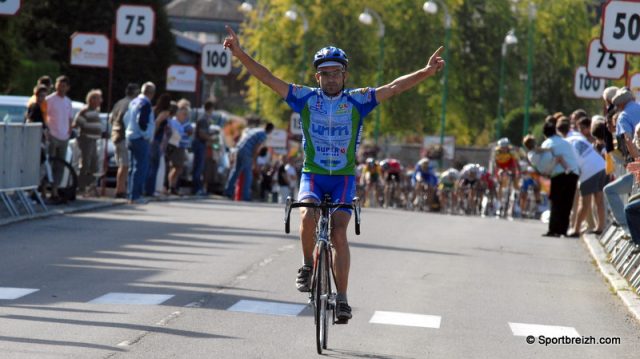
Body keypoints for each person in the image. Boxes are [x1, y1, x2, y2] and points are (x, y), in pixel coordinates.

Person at [222, 25, 445, 322]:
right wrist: (239, 54)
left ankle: (342, 298)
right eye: (325, 74)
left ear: (344, 76)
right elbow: (267, 78)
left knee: (339, 233)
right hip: (313, 174)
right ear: (317, 77)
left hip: (343, 178)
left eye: (336, 73)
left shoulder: (357, 100)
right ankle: (306, 265)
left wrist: (426, 72)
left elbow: (393, 87)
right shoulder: (304, 98)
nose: (330, 78)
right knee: (307, 214)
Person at [604, 88, 640, 236]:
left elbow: (627, 140)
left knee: (612, 191)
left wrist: (635, 158)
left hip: (636, 165)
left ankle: (628, 229)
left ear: (619, 105)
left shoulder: (623, 116)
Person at [563, 117, 607, 236]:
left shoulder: (566, 144)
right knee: (599, 200)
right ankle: (600, 227)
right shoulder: (578, 137)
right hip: (601, 166)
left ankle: (576, 229)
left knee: (584, 202)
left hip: (589, 171)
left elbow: (572, 165)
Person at [541, 119, 580, 237]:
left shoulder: (547, 143)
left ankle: (553, 229)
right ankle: (563, 230)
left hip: (559, 175)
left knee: (556, 202)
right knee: (567, 203)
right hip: (573, 173)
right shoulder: (565, 142)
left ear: (545, 134)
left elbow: (545, 162)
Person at [224, 121, 274, 201]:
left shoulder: (256, 130)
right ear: (271, 130)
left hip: (239, 149)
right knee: (248, 174)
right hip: (247, 153)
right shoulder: (263, 135)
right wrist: (254, 163)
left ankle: (228, 191)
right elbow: (255, 149)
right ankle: (245, 196)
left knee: (235, 171)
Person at [125, 82, 156, 204]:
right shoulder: (146, 103)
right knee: (141, 167)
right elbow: (142, 121)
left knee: (133, 168)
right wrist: (146, 134)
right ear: (152, 93)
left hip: (130, 136)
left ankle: (131, 194)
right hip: (139, 138)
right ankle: (136, 196)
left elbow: (126, 118)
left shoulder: (133, 101)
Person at [45, 75, 74, 203]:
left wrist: (69, 130)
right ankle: (44, 189)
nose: (60, 88)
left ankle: (55, 190)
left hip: (63, 136)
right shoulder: (50, 100)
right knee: (48, 163)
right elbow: (45, 115)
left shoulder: (68, 101)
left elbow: (69, 117)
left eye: (63, 85)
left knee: (60, 165)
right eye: (58, 85)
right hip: (52, 135)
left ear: (67, 87)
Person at [110, 83, 139, 199]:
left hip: (116, 135)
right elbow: (125, 119)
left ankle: (121, 188)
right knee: (124, 164)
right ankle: (120, 190)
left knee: (122, 164)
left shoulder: (119, 102)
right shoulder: (130, 104)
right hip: (122, 136)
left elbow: (111, 119)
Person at [73, 89, 104, 197]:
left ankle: (90, 185)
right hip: (86, 139)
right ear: (92, 100)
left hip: (94, 140)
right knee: (86, 163)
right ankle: (81, 186)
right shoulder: (84, 111)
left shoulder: (96, 111)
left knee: (94, 164)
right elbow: (77, 124)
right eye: (98, 99)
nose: (101, 101)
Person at [146, 93, 172, 197]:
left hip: (151, 139)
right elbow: (156, 123)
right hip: (156, 140)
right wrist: (153, 136)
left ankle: (146, 188)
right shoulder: (164, 113)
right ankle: (150, 190)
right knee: (154, 166)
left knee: (149, 166)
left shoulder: (153, 109)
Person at [166, 100, 193, 195]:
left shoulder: (185, 121)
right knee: (176, 167)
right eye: (183, 111)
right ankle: (170, 186)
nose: (185, 114)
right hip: (177, 146)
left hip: (182, 146)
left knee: (179, 167)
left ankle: (173, 186)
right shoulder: (175, 121)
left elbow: (190, 131)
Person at [192, 99, 218, 195]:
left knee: (200, 167)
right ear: (210, 108)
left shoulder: (205, 119)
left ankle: (198, 188)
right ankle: (196, 189)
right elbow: (201, 134)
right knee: (198, 167)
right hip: (199, 144)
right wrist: (211, 139)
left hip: (201, 144)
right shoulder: (203, 119)